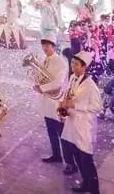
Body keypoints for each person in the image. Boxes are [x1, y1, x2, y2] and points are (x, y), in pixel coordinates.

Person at [60, 50, 102, 194]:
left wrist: (75, 105)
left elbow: (97, 107)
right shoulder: (73, 78)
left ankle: (95, 190)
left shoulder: (91, 86)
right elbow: (68, 95)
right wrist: (63, 106)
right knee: (77, 155)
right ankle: (86, 184)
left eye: (76, 64)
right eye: (72, 63)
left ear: (84, 67)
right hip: (72, 123)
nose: (73, 66)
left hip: (84, 126)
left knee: (86, 159)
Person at [33, 36, 70, 166]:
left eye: (47, 46)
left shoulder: (60, 62)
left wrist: (42, 88)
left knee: (62, 133)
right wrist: (36, 82)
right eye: (43, 46)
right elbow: (41, 76)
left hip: (56, 102)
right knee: (51, 131)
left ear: (53, 47)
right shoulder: (44, 59)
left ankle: (69, 162)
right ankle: (56, 155)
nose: (45, 48)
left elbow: (58, 82)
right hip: (46, 102)